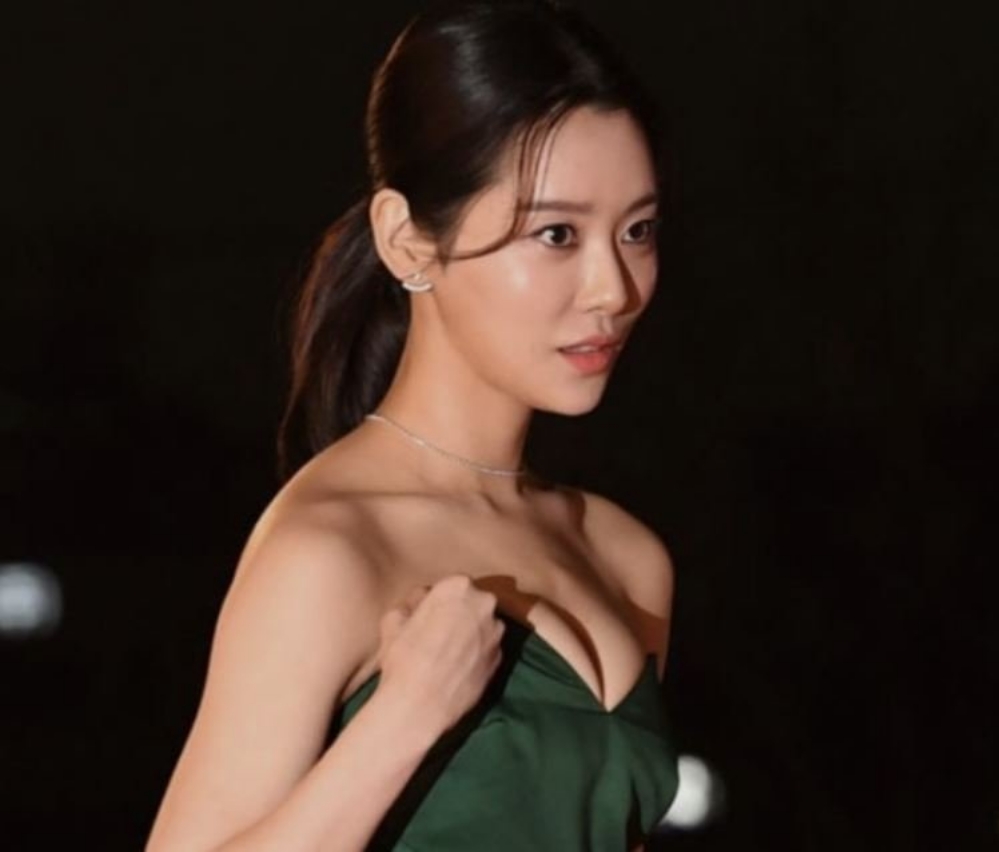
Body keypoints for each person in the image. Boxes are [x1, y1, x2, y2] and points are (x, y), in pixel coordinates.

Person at [147, 1, 679, 849]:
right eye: (556, 234)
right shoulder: (330, 549)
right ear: (406, 241)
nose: (613, 288)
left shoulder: (626, 557)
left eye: (638, 231)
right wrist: (402, 721)